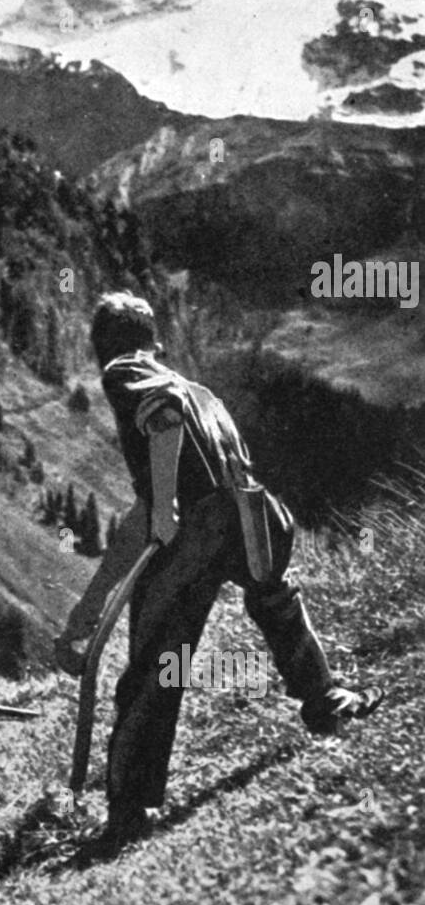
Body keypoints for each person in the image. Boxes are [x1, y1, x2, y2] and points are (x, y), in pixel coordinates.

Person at [54, 293, 383, 848]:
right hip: (256, 512)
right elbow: (147, 513)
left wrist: (164, 509)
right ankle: (327, 699)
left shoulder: (123, 370)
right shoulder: (199, 390)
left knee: (159, 662)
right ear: (156, 341)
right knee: (275, 601)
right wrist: (87, 613)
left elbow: (161, 423)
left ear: (103, 347)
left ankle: (129, 813)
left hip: (200, 528)